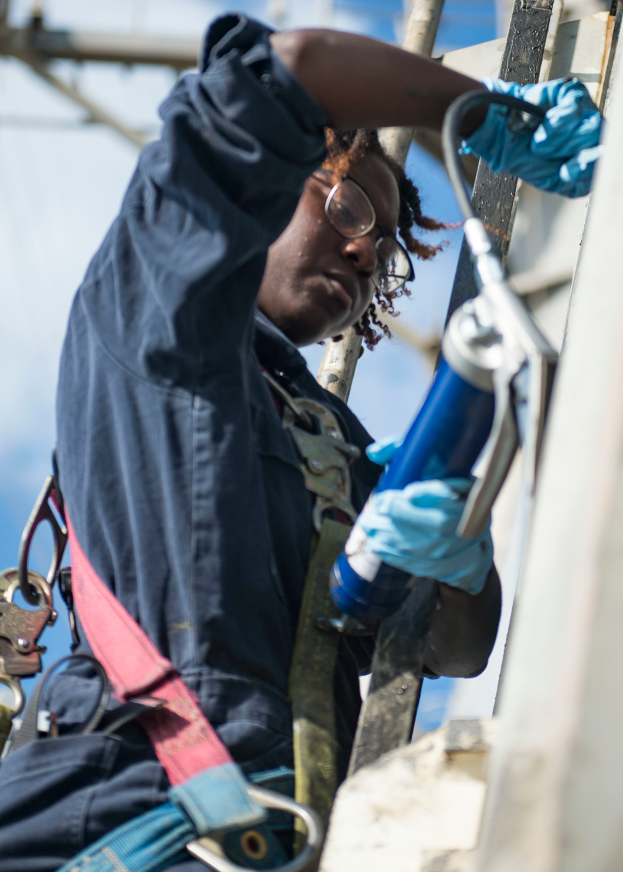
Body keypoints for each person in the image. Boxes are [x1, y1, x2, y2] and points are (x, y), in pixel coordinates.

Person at [0, 13, 601, 871]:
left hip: (294, 823)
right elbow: (293, 66)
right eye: (348, 203)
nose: (365, 250)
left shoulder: (334, 440)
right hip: (132, 806)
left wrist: (452, 560)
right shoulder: (153, 310)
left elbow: (454, 647)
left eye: (385, 252)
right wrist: (479, 110)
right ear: (274, 182)